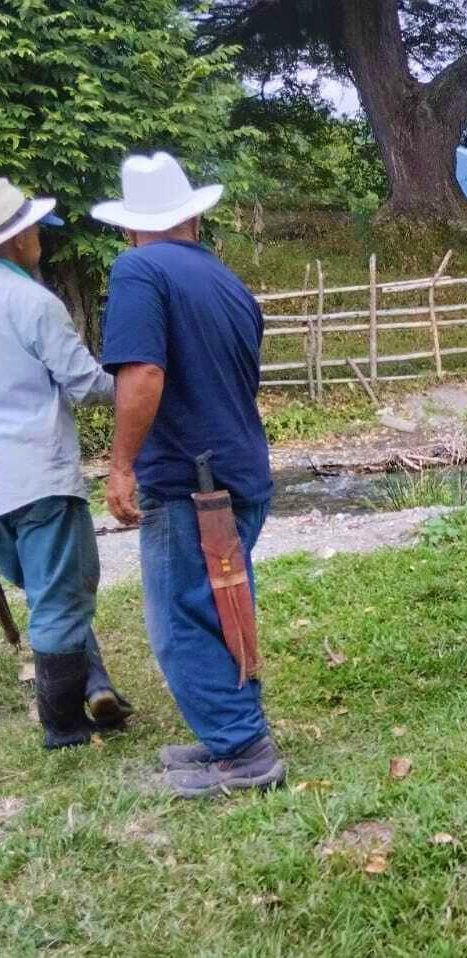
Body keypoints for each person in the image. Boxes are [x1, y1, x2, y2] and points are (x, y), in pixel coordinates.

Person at [92, 153, 285, 797]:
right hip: (240, 469)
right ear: (194, 217)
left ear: (130, 227)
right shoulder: (227, 281)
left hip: (190, 481)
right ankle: (231, 732)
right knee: (224, 604)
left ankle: (244, 750)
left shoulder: (139, 269)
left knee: (182, 615)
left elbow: (142, 372)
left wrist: (120, 466)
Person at [0, 178, 134, 749]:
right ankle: (63, 727)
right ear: (16, 238)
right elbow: (83, 383)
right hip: (38, 476)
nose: (39, 240)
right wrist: (138, 382)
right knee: (62, 596)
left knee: (48, 590)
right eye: (33, 229)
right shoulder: (31, 301)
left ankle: (96, 684)